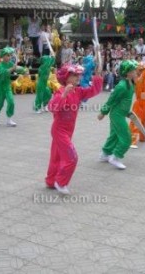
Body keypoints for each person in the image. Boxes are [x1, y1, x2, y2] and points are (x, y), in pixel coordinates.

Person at [46, 63, 103, 194]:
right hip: (59, 130)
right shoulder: (60, 91)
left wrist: (98, 76)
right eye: (74, 75)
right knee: (72, 157)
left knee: (57, 156)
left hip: (68, 130)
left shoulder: (79, 91)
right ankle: (60, 182)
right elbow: (52, 108)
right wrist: (64, 94)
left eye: (78, 75)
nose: (78, 77)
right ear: (66, 77)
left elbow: (94, 90)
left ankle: (51, 180)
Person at [98, 60, 138, 170]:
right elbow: (111, 100)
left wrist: (127, 112)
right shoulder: (121, 86)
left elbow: (124, 101)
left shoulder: (130, 83)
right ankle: (115, 157)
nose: (136, 72)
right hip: (116, 115)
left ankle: (105, 154)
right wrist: (103, 112)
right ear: (127, 73)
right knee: (126, 137)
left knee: (114, 136)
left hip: (120, 113)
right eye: (134, 70)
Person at [0, 47, 17, 127]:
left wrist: (23, 70)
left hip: (7, 87)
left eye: (10, 55)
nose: (9, 57)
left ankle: (9, 119)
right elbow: (3, 73)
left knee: (11, 102)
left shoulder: (10, 63)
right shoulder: (0, 65)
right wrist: (11, 69)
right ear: (3, 56)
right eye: (7, 55)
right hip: (0, 87)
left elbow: (16, 68)